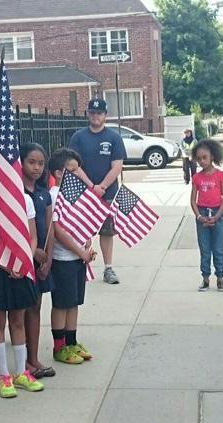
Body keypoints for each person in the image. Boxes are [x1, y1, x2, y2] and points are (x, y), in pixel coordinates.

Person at [0, 153, 43, 399]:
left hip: (21, 267)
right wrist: (5, 263)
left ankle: (20, 371)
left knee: (18, 319)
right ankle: (3, 374)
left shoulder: (25, 200)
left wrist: (25, 260)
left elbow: (32, 235)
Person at [48, 148, 98, 365]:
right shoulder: (54, 195)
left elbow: (82, 222)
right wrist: (81, 253)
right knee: (61, 304)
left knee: (74, 302)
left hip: (78, 258)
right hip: (63, 260)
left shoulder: (75, 194)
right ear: (59, 173)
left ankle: (72, 341)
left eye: (78, 170)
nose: (78, 174)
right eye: (73, 170)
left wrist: (87, 242)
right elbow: (58, 232)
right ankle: (59, 347)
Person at [68, 98, 126, 285]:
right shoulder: (78, 137)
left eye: (99, 113)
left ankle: (108, 268)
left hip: (108, 194)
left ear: (105, 115)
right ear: (88, 114)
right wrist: (91, 186)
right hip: (83, 193)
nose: (95, 116)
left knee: (107, 232)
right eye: (92, 113)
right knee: (82, 230)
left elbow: (117, 166)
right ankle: (82, 264)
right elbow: (73, 165)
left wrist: (101, 187)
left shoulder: (114, 138)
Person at [21, 143, 57, 379]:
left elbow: (50, 225)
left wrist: (48, 260)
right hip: (22, 258)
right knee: (19, 311)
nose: (36, 167)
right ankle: (21, 360)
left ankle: (33, 359)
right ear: (21, 163)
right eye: (31, 162)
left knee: (35, 308)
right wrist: (33, 253)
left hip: (42, 259)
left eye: (41, 163)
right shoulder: (15, 193)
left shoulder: (43, 192)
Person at [189, 138, 223, 291]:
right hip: (202, 213)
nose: (202, 161)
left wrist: (218, 215)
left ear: (213, 156)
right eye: (198, 159)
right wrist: (199, 216)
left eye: (204, 157)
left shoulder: (221, 176)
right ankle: (205, 278)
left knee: (218, 247)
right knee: (205, 248)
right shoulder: (197, 178)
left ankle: (220, 278)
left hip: (217, 213)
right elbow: (193, 200)